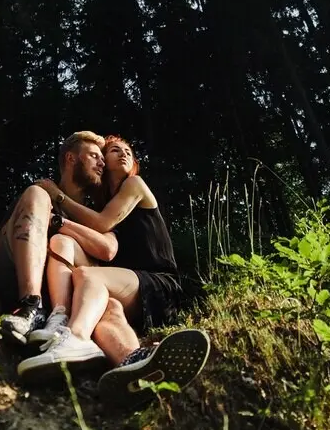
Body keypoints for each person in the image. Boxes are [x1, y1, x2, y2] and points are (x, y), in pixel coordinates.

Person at [19, 134, 210, 406]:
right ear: (102, 161)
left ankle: (75, 336)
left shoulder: (134, 185)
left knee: (88, 276)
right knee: (104, 306)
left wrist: (57, 197)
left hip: (160, 285)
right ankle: (134, 362)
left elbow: (101, 223)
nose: (124, 154)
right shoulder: (101, 201)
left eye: (128, 152)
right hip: (125, 289)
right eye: (114, 151)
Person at [0, 130, 119, 344]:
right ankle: (31, 307)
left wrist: (57, 221)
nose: (101, 163)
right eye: (94, 156)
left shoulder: (97, 214)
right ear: (71, 158)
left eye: (103, 159)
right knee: (36, 195)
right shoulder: (36, 197)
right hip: (14, 288)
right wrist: (23, 225)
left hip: (71, 299)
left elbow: (108, 249)